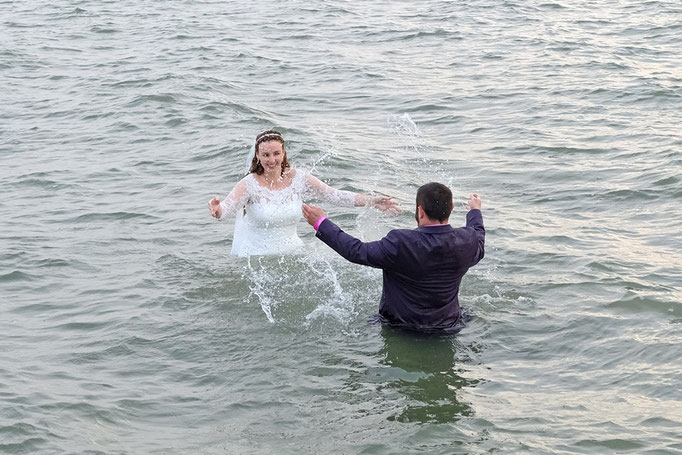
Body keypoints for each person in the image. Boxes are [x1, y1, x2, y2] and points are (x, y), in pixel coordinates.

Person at [302, 182, 484, 333]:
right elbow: (478, 236)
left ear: (420, 211)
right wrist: (474, 211)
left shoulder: (401, 242)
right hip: (448, 327)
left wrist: (321, 223)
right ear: (451, 208)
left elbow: (356, 251)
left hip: (400, 328)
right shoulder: (467, 241)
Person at [208, 130, 399, 256]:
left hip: (294, 254)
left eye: (276, 153)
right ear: (257, 156)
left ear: (283, 153)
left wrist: (372, 201)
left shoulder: (298, 178)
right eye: (265, 155)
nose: (272, 160)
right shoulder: (249, 184)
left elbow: (334, 195)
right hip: (256, 259)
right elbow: (226, 209)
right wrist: (217, 210)